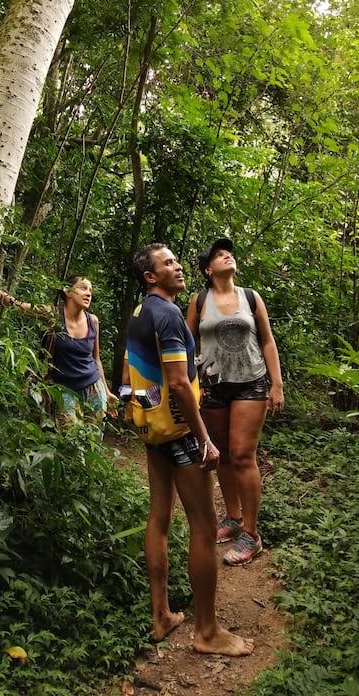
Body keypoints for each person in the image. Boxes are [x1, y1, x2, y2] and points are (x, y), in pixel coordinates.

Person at [124, 243, 254, 656]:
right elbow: (180, 382)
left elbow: (135, 370)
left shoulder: (141, 312)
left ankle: (161, 615)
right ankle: (207, 632)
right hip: (180, 430)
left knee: (159, 516)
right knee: (203, 526)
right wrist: (204, 438)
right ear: (151, 276)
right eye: (168, 263)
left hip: (154, 426)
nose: (178, 267)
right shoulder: (169, 315)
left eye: (177, 261)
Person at [186, 237, 284, 566]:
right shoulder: (199, 301)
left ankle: (251, 534)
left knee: (242, 454)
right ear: (208, 269)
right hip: (212, 386)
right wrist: (189, 385)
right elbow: (187, 344)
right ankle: (233, 517)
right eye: (218, 254)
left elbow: (267, 341)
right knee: (224, 455)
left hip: (251, 383)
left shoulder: (251, 297)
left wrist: (277, 384)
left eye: (228, 252)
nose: (227, 255)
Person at [0, 275, 116, 423]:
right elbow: (19, 306)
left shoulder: (93, 321)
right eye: (83, 288)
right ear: (68, 291)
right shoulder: (53, 315)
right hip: (65, 390)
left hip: (94, 387)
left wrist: (107, 392)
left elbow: (96, 359)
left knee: (94, 435)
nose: (89, 293)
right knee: (69, 434)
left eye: (90, 290)